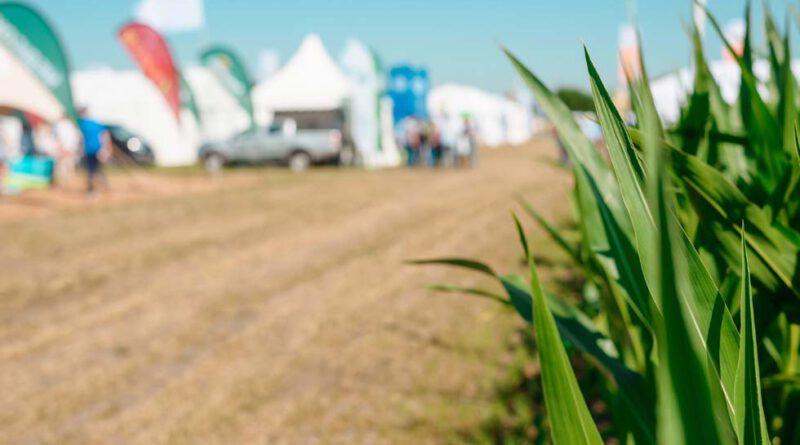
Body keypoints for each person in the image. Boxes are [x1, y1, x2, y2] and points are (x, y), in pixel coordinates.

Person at [77, 107, 110, 195]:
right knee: (96, 170)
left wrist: (80, 149)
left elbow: (81, 139)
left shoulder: (81, 124)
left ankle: (92, 190)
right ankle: (102, 186)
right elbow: (105, 134)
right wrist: (105, 148)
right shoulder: (96, 123)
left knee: (91, 171)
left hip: (89, 150)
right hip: (98, 150)